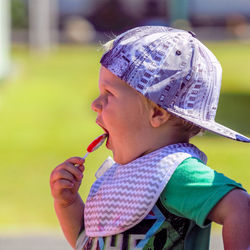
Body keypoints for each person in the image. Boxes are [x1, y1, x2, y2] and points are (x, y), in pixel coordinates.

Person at [50, 26, 250, 250]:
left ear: (157, 113)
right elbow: (89, 242)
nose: (95, 105)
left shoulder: (175, 174)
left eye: (109, 94)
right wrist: (67, 203)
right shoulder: (121, 176)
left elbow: (239, 206)